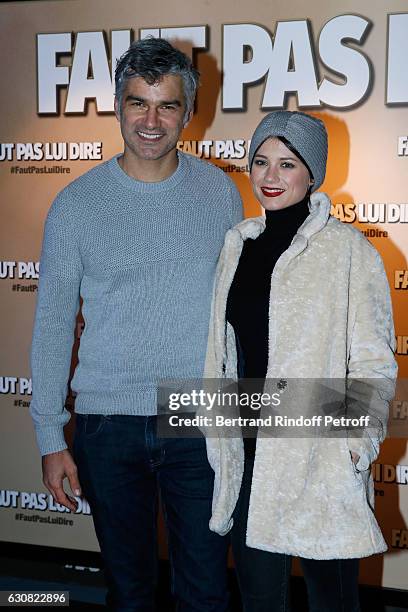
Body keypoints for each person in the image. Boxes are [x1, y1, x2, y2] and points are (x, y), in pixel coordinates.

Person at [30, 37, 242, 611]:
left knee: (205, 593)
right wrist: (51, 436)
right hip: (106, 425)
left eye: (167, 105)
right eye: (137, 103)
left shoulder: (221, 194)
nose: (151, 120)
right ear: (118, 107)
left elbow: (233, 315)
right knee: (130, 595)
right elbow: (52, 324)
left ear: (188, 113)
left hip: (196, 418)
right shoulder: (77, 204)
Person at [203, 111, 397, 611]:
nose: (270, 177)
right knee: (260, 599)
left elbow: (374, 361)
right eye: (261, 162)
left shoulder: (348, 250)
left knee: (333, 601)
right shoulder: (237, 245)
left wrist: (355, 446)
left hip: (319, 455)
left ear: (313, 173)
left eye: (287, 164)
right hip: (248, 455)